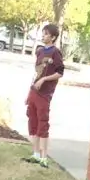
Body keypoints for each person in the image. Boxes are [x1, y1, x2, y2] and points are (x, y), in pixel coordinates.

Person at [24, 20, 63, 167]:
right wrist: (30, 92)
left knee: (43, 123)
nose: (43, 36)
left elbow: (60, 73)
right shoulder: (40, 52)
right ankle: (35, 154)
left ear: (53, 37)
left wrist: (45, 79)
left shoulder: (55, 52)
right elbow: (36, 74)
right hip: (34, 91)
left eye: (46, 34)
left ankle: (44, 157)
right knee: (32, 121)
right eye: (43, 33)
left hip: (44, 94)